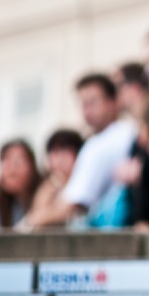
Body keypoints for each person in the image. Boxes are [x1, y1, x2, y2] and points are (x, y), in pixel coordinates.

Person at [28, 74, 137, 228]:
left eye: (92, 102)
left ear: (113, 101)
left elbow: (72, 205)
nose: (86, 110)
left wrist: (31, 221)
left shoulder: (107, 140)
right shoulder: (121, 134)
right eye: (82, 104)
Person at [19, 129, 84, 231]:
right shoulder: (49, 184)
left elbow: (36, 219)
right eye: (55, 152)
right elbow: (37, 213)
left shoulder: (82, 184)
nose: (60, 159)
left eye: (66, 152)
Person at [0, 139, 41, 229]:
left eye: (18, 161)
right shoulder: (0, 200)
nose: (11, 168)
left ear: (32, 166)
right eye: (5, 160)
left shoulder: (45, 193)